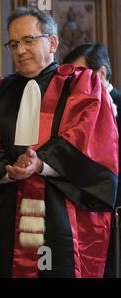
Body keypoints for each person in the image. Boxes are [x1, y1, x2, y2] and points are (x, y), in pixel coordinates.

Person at [0, 7, 118, 278]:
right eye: (13, 44)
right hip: (10, 213)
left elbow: (89, 141)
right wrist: (8, 168)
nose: (20, 50)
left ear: (52, 42)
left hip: (63, 213)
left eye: (28, 40)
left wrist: (42, 163)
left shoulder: (80, 85)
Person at [63, 43, 121, 277]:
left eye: (80, 74)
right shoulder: (72, 111)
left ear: (102, 73)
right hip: (86, 214)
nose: (74, 83)